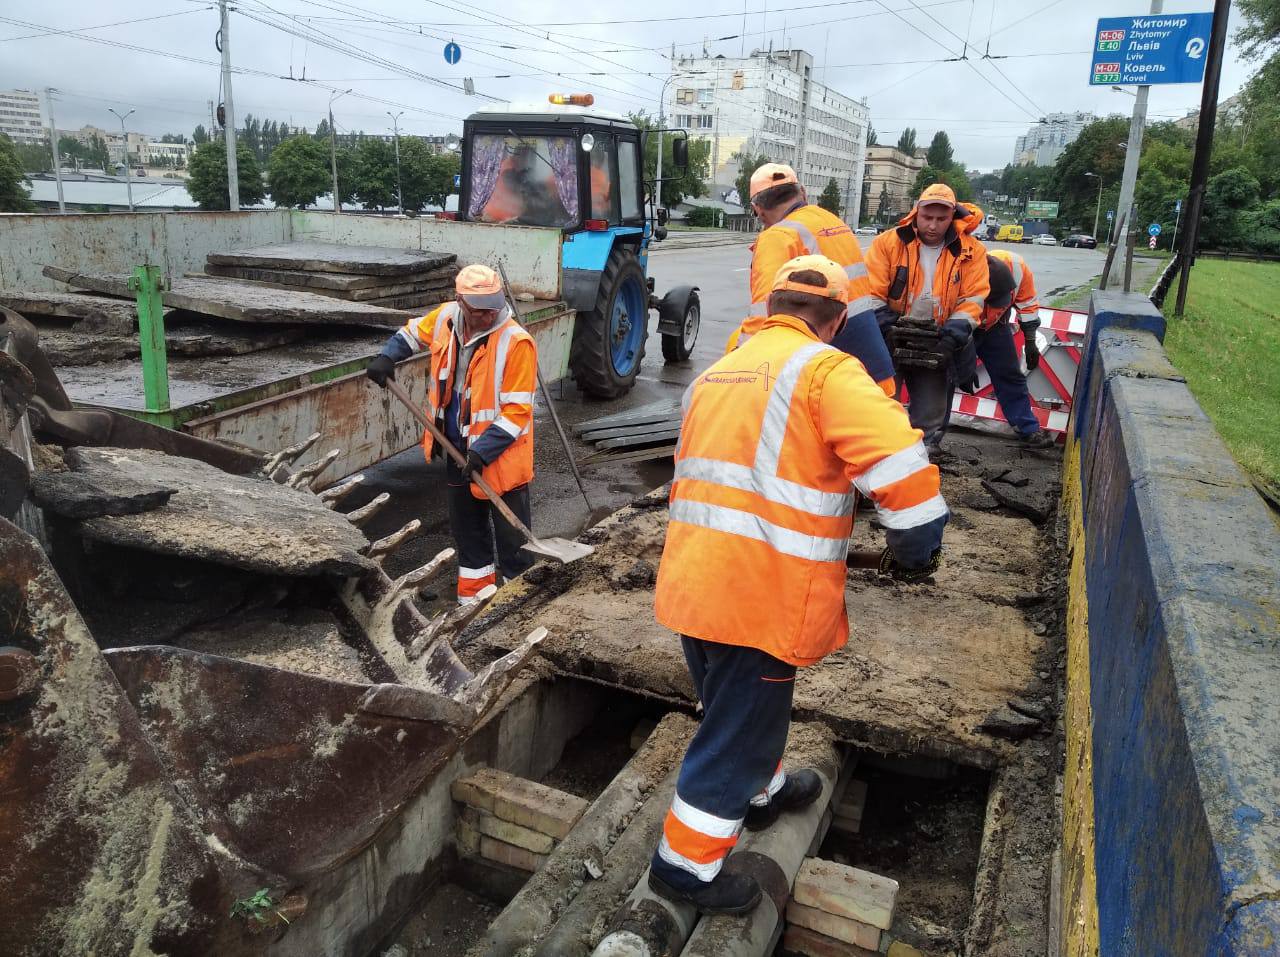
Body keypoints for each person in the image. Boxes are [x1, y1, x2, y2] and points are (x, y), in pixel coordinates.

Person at [647, 255, 949, 915]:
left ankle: (763, 789)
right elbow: (903, 471)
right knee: (740, 730)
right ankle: (684, 867)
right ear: (837, 319)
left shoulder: (719, 370)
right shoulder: (825, 371)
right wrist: (917, 546)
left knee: (733, 704)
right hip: (760, 596)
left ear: (774, 306)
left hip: (695, 581)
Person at [366, 264, 538, 604]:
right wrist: (388, 357)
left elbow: (517, 412)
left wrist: (482, 452)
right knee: (467, 530)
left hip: (500, 458)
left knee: (512, 538)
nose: (489, 317)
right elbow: (412, 333)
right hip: (455, 445)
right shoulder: (446, 318)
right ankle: (476, 601)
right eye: (480, 311)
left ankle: (519, 603)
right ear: (461, 302)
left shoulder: (516, 342)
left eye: (493, 309)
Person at [725, 163, 896, 396]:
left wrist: (737, 368)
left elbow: (762, 317)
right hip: (872, 367)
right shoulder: (832, 222)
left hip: (831, 378)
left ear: (758, 209)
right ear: (802, 192)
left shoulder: (779, 236)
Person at [864, 183, 990, 450]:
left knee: (930, 416)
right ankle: (882, 459)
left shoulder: (971, 251)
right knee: (881, 408)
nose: (933, 226)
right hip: (891, 337)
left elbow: (972, 298)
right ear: (916, 214)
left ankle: (923, 460)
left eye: (941, 219)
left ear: (952, 218)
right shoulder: (888, 244)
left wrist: (951, 339)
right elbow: (871, 292)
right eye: (927, 218)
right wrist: (888, 327)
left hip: (938, 339)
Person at [971, 251, 1056, 449]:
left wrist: (1031, 341)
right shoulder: (967, 269)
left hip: (995, 325)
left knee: (1010, 375)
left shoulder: (1018, 268)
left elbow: (1027, 306)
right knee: (945, 379)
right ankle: (932, 435)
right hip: (964, 324)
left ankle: (1027, 429)